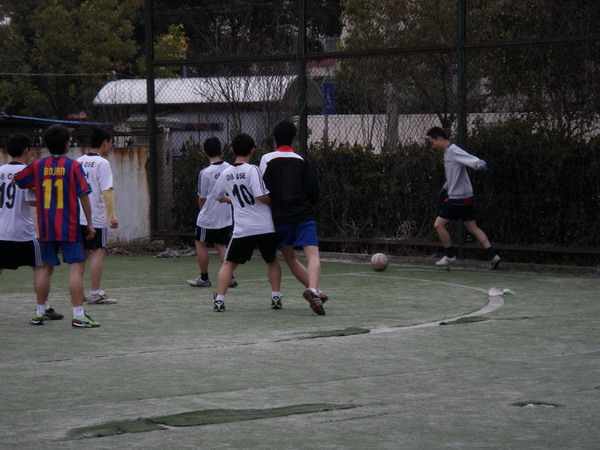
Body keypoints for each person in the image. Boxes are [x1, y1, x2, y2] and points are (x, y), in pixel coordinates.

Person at [14, 124, 101, 328]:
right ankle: (78, 315)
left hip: (46, 226)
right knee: (76, 267)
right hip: (69, 226)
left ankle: (39, 312)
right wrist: (90, 223)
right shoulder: (73, 166)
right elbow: (84, 196)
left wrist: (39, 184)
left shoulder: (38, 166)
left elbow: (18, 180)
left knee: (45, 268)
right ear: (66, 144)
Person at [260, 120, 328, 316]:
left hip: (279, 218)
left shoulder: (266, 159)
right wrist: (306, 207)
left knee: (290, 258)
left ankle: (314, 292)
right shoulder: (302, 160)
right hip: (303, 216)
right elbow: (313, 190)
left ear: (274, 138)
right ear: (294, 139)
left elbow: (262, 189)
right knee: (312, 256)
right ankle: (313, 289)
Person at [209, 133, 282, 312]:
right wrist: (277, 202)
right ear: (252, 150)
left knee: (228, 264)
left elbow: (217, 196)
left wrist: (233, 200)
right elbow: (260, 194)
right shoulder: (252, 169)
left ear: (232, 150)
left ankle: (219, 300)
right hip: (265, 226)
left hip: (243, 228)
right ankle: (276, 297)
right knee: (271, 260)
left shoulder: (225, 173)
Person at [0, 134, 64, 324]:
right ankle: (43, 307)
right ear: (27, 150)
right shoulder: (29, 171)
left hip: (1, 231)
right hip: (23, 233)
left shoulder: (0, 170)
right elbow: (31, 200)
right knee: (39, 267)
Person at [426, 126, 501, 269]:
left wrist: (479, 164)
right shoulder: (447, 153)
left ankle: (450, 255)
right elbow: (454, 175)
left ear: (439, 139)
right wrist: (445, 188)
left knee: (438, 225)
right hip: (466, 198)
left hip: (457, 199)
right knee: (473, 227)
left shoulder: (453, 150)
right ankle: (493, 256)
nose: (432, 146)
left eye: (433, 142)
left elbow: (470, 159)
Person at [186, 137, 237, 289]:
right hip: (225, 215)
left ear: (205, 153)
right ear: (221, 150)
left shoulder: (205, 172)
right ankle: (230, 277)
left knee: (200, 244)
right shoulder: (230, 168)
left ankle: (204, 279)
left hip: (208, 217)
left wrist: (203, 210)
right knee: (221, 245)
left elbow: (202, 197)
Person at [77, 128, 119, 304]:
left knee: (80, 255)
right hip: (95, 217)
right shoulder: (103, 163)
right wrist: (112, 216)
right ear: (105, 143)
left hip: (78, 216)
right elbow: (107, 192)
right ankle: (95, 293)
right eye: (111, 143)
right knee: (98, 252)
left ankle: (77, 293)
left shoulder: (78, 161)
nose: (111, 147)